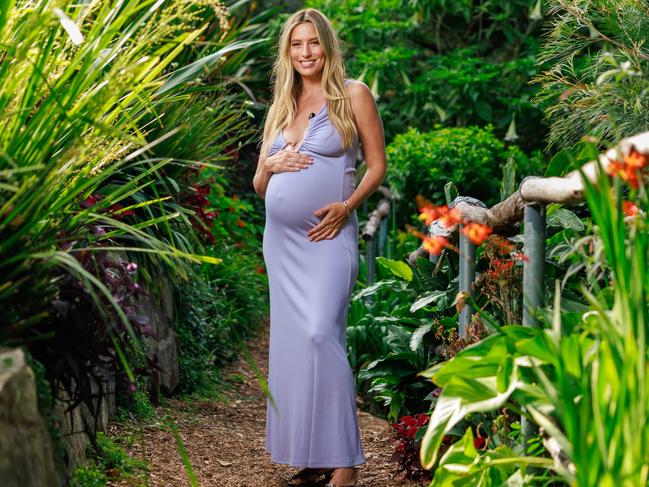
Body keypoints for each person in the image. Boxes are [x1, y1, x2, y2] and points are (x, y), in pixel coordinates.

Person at [252, 7, 386, 487]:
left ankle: (346, 464)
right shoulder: (281, 106)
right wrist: (274, 164)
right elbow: (259, 183)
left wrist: (347, 205)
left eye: (313, 43)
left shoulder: (354, 96)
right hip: (283, 243)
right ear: (287, 52)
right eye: (296, 44)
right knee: (294, 347)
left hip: (329, 236)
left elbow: (376, 166)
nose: (305, 52)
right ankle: (311, 456)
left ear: (327, 46)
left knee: (319, 335)